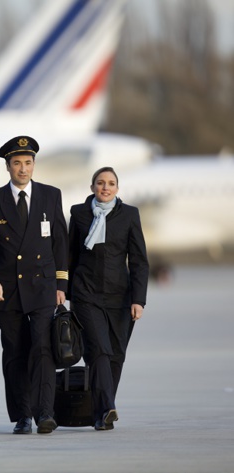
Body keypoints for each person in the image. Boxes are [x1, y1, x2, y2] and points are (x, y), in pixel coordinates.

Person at [0, 136, 68, 435]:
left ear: (34, 165)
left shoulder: (51, 196)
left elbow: (60, 242)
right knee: (14, 351)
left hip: (43, 286)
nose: (23, 169)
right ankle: (22, 415)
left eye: (28, 163)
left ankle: (45, 414)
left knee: (42, 349)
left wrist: (62, 284)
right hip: (7, 289)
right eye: (17, 163)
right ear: (8, 167)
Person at [68, 166, 149, 431]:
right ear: (92, 187)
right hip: (86, 294)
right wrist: (64, 292)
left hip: (120, 297)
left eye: (111, 183)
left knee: (116, 355)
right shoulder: (79, 213)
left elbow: (138, 260)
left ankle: (101, 414)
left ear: (117, 188)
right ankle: (106, 408)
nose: (105, 187)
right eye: (100, 183)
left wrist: (139, 299)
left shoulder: (129, 215)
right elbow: (69, 257)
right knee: (99, 351)